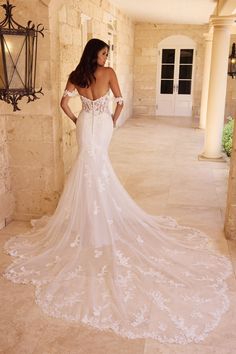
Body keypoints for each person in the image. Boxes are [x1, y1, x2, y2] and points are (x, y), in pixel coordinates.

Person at [2, 38, 232, 344]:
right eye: (103, 52)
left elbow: (63, 103)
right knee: (96, 169)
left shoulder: (75, 74)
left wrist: (78, 119)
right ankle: (96, 223)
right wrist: (109, 119)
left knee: (87, 168)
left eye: (106, 53)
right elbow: (120, 101)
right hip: (101, 127)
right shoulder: (108, 73)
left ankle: (87, 224)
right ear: (94, 53)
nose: (105, 56)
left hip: (85, 123)